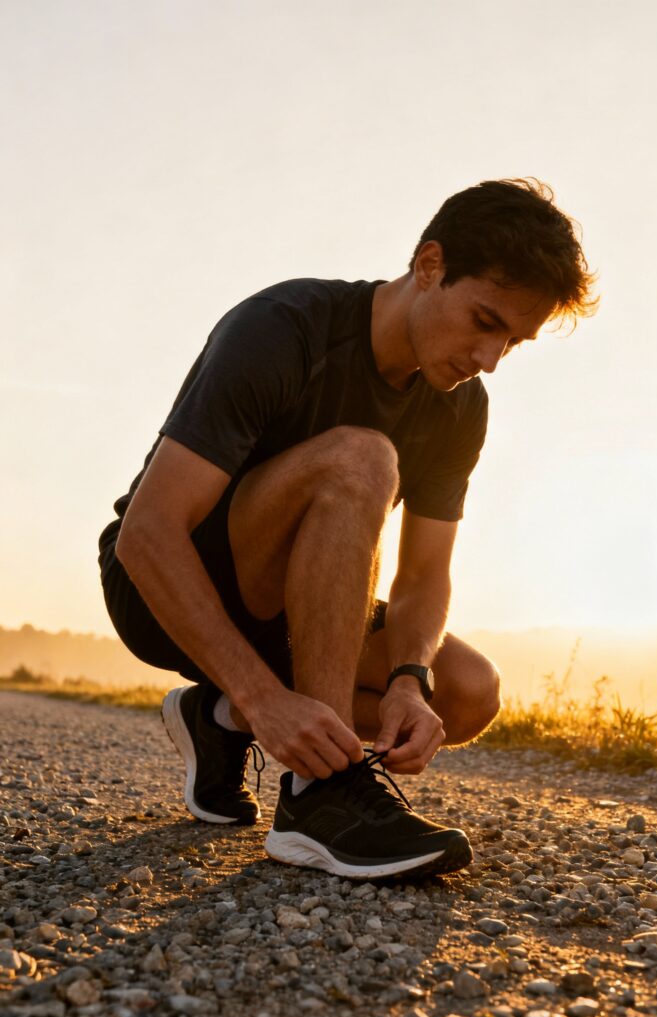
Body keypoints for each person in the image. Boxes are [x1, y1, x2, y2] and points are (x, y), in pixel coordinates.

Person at [98, 178, 596, 881]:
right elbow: (147, 533)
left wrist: (408, 681)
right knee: (362, 458)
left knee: (465, 692)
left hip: (302, 614)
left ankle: (217, 721)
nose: (489, 358)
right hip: (163, 589)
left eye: (512, 341)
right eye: (484, 320)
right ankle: (318, 796)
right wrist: (265, 697)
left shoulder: (460, 407)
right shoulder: (283, 327)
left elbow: (423, 575)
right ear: (429, 266)